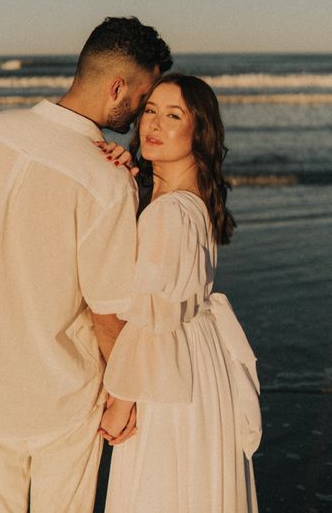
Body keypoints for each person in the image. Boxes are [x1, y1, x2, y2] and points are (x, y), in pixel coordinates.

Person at [0, 17, 172, 512]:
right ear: (117, 86)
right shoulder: (104, 180)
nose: (143, 113)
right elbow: (107, 312)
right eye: (144, 99)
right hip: (57, 394)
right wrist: (127, 394)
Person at [100, 74, 262, 513]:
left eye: (173, 115)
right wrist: (125, 182)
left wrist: (122, 400)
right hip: (199, 362)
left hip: (169, 373)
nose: (153, 123)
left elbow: (153, 319)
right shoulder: (187, 200)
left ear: (199, 131)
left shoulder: (169, 213)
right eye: (149, 110)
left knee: (158, 488)